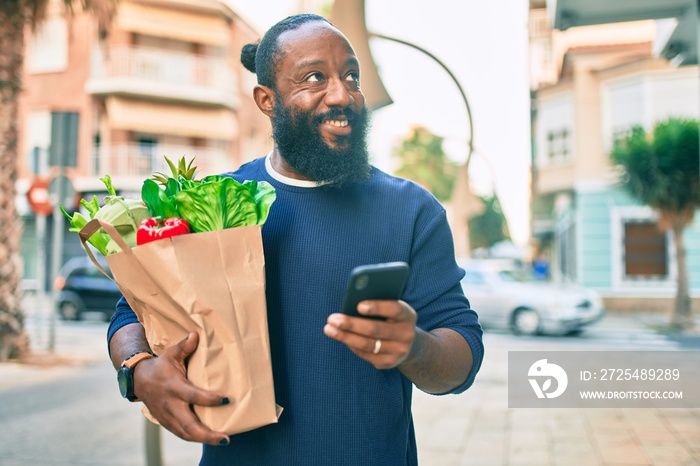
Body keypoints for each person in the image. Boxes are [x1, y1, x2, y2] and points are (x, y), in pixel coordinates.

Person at [108, 13, 483, 465]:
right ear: (267, 100)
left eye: (351, 76)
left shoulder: (412, 211)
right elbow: (133, 312)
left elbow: (461, 359)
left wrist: (414, 346)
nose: (342, 94)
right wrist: (138, 370)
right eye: (314, 78)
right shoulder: (215, 203)